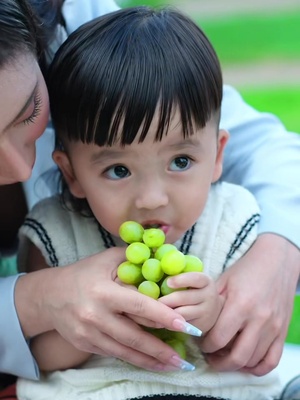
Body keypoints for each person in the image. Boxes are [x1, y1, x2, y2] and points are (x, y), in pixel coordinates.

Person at [0, 0, 299, 391]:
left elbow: (261, 147)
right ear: (70, 171)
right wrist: (40, 303)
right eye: (119, 170)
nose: (152, 198)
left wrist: (278, 251)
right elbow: (43, 356)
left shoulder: (229, 220)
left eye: (28, 110)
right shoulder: (56, 235)